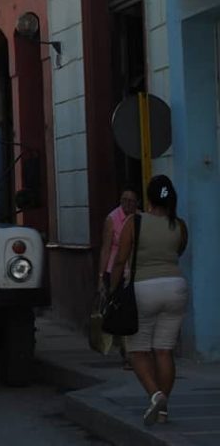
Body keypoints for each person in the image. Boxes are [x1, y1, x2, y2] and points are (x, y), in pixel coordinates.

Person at [111, 175, 189, 427]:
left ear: (149, 197)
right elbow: (177, 252)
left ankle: (156, 396)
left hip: (144, 289)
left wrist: (111, 290)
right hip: (176, 288)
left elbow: (121, 259)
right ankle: (163, 412)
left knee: (137, 351)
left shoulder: (136, 222)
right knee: (164, 351)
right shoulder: (179, 225)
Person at [98, 188, 140, 367]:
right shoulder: (112, 218)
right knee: (122, 311)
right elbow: (106, 247)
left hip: (134, 269)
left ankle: (129, 350)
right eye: (124, 200)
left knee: (132, 311)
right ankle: (127, 352)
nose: (127, 204)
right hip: (115, 269)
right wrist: (101, 276)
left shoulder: (140, 218)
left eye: (131, 201)